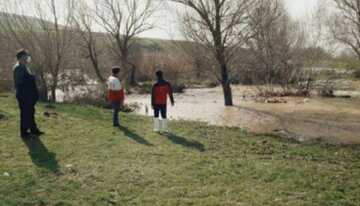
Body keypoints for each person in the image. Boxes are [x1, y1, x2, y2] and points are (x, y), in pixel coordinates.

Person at [13, 49, 44, 139]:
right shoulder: (18, 68)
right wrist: (30, 78)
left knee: (31, 112)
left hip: (27, 95)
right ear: (20, 58)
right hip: (23, 95)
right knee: (25, 114)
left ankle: (34, 130)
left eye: (27, 56)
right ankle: (24, 133)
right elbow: (20, 82)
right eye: (25, 56)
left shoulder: (24, 66)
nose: (27, 58)